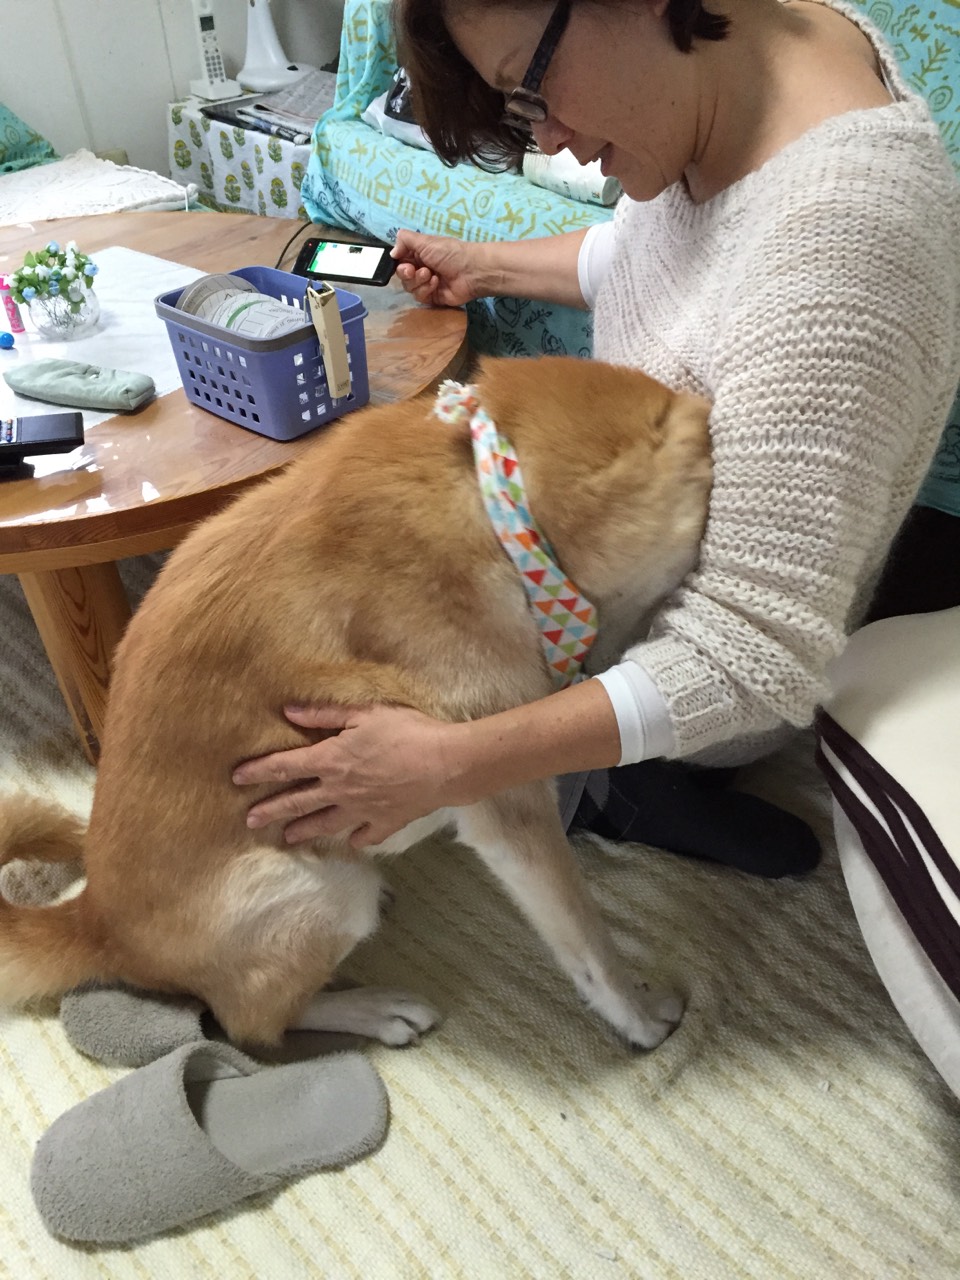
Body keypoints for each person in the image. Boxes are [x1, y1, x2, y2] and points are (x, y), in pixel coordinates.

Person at [233, 0, 960, 875]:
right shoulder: (745, 66)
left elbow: (746, 660)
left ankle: (620, 790)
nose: (552, 140)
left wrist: (449, 764)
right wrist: (485, 265)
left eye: (529, 86)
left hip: (687, 677)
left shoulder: (845, 243)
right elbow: (652, 255)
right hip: (604, 535)